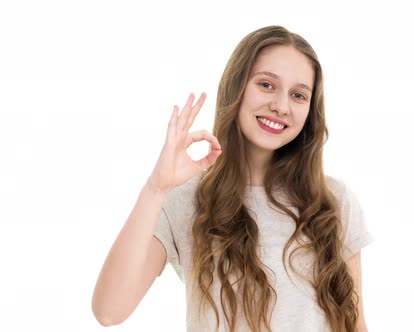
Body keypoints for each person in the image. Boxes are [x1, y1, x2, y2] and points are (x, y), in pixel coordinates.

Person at [92, 25, 374, 332]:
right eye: (266, 85)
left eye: (298, 95)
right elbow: (109, 311)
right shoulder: (184, 200)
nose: (281, 106)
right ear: (236, 86)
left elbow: (353, 323)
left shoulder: (334, 200)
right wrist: (155, 188)